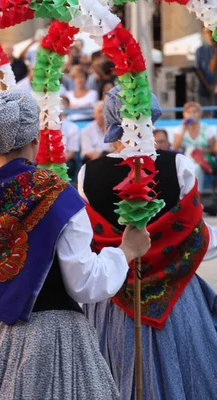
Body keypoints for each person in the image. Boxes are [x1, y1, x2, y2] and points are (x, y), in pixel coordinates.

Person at [0, 90, 150, 399]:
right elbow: (83, 284)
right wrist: (126, 252)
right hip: (48, 338)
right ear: (36, 140)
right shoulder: (58, 195)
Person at [79, 86, 217, 400]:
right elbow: (194, 234)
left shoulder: (87, 173)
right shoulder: (178, 164)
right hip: (176, 294)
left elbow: (91, 239)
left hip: (112, 297)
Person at [172, 101, 216, 192]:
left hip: (202, 159)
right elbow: (175, 147)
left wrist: (201, 150)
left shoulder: (207, 129)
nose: (191, 114)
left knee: (196, 167)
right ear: (184, 114)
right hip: (185, 158)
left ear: (200, 114)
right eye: (188, 112)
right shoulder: (179, 129)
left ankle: (195, 194)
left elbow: (213, 149)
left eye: (195, 111)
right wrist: (184, 129)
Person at [60, 96, 81, 181]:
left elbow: (72, 152)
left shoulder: (73, 127)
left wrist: (56, 163)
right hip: (46, 160)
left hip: (65, 160)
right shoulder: (43, 127)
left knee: (69, 165)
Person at [197, 27, 217, 110]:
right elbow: (199, 69)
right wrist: (208, 86)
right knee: (207, 114)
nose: (209, 35)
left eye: (210, 32)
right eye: (206, 32)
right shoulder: (200, 50)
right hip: (204, 89)